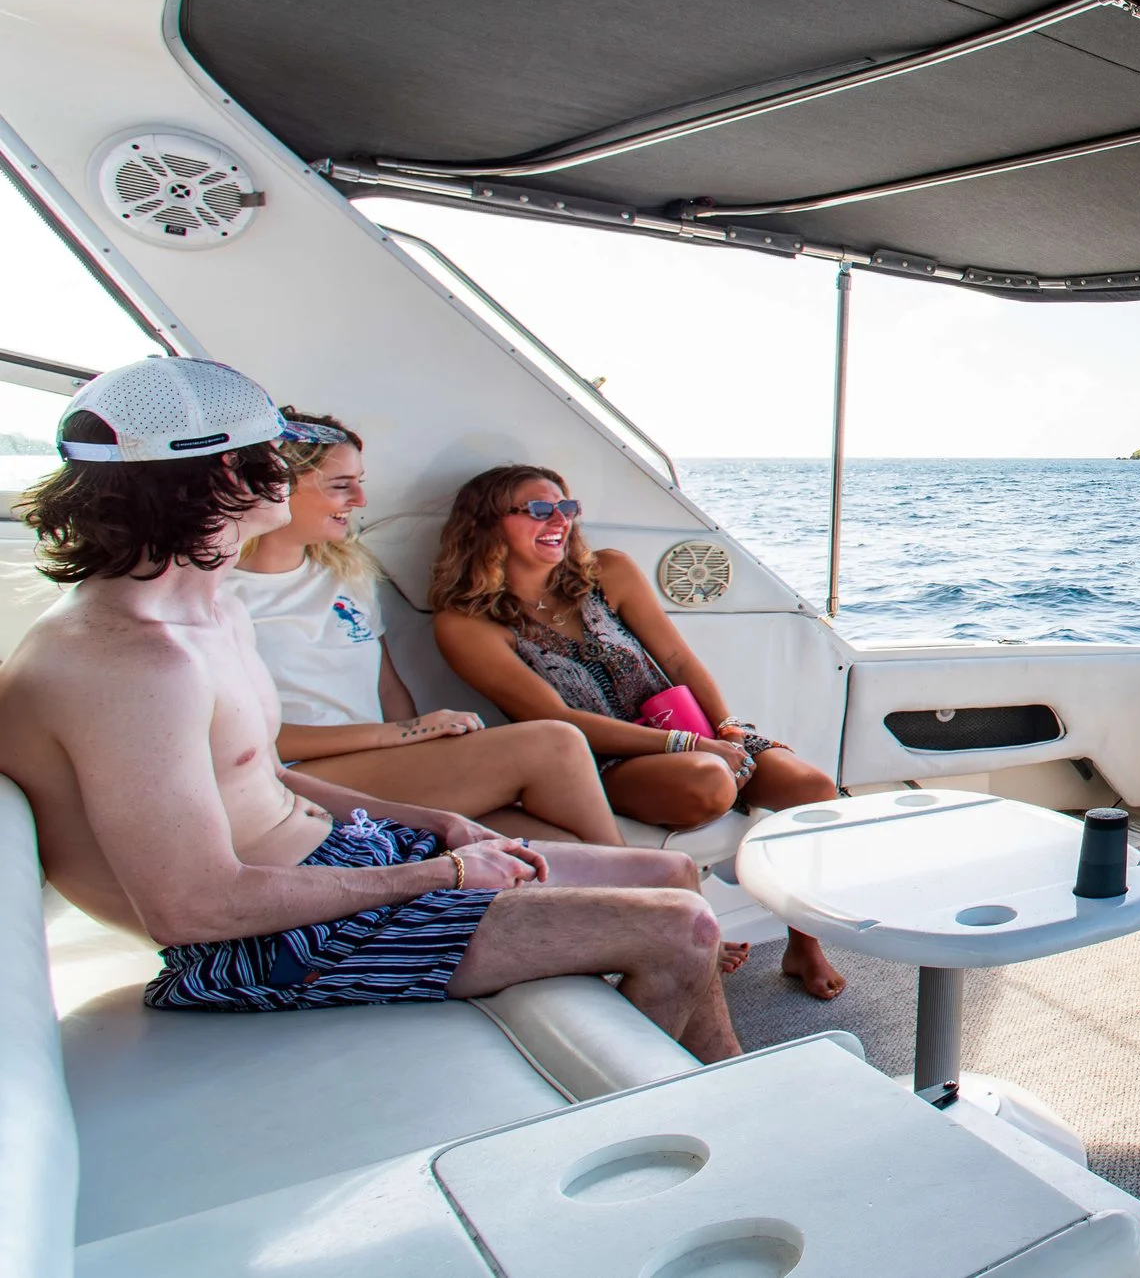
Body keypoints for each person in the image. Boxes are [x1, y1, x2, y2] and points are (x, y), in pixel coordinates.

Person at [0, 359, 736, 1058]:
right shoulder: (130, 660)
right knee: (680, 927)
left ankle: (729, 1086)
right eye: (275, 451)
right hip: (269, 943)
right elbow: (195, 911)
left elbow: (260, 776)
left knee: (669, 877)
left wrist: (433, 826)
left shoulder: (209, 612)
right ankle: (670, 1115)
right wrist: (439, 873)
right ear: (233, 472)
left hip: (334, 866)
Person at [430, 464, 846, 1000]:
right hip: (601, 762)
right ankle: (691, 927)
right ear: (486, 524)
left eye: (567, 507)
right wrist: (696, 746)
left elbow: (675, 657)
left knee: (813, 789)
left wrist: (728, 728)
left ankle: (803, 945)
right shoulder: (465, 624)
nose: (559, 519)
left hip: (697, 734)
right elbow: (560, 721)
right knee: (709, 782)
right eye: (538, 509)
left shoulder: (607, 571)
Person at [229, 410, 625, 847]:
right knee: (556, 743)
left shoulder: (346, 575)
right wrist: (404, 735)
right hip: (292, 781)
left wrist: (418, 744)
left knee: (563, 851)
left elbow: (388, 691)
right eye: (341, 485)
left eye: (360, 482)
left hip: (379, 767)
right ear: (273, 487)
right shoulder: (220, 597)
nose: (360, 499)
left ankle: (646, 890)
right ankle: (652, 893)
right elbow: (241, 744)